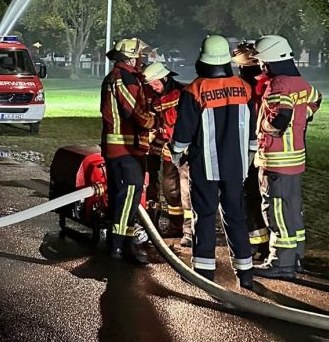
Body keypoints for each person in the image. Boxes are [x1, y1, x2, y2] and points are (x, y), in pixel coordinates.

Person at [170, 35, 254, 288]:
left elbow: (183, 133)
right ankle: (246, 274)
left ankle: (204, 274)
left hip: (205, 166)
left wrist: (176, 155)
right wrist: (247, 159)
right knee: (236, 217)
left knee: (204, 217)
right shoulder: (243, 87)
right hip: (236, 167)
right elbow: (250, 131)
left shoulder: (195, 90)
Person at [251, 35, 322, 280]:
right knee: (292, 210)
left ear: (268, 61)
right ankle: (296, 257)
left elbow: (280, 118)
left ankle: (281, 262)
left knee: (276, 211)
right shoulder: (299, 82)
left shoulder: (278, 85)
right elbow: (317, 98)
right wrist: (304, 118)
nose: (260, 66)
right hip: (295, 159)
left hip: (277, 159)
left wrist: (265, 129)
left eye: (261, 61)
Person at [100, 38, 153, 264]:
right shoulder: (125, 78)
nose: (142, 59)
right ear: (131, 57)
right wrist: (152, 121)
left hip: (118, 147)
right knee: (130, 192)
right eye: (139, 56)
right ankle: (119, 246)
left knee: (119, 195)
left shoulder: (117, 77)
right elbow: (132, 111)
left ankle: (122, 242)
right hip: (125, 148)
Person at [140, 61, 191, 246]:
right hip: (170, 150)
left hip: (186, 152)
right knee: (170, 190)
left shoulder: (181, 94)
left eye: (155, 83)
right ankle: (176, 225)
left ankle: (189, 231)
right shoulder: (157, 98)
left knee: (187, 193)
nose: (153, 87)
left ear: (165, 77)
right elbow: (163, 126)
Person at [232, 41, 271, 262]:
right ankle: (261, 244)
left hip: (253, 148)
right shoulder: (264, 83)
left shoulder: (252, 87)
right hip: (260, 148)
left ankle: (260, 245)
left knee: (252, 196)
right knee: (255, 197)